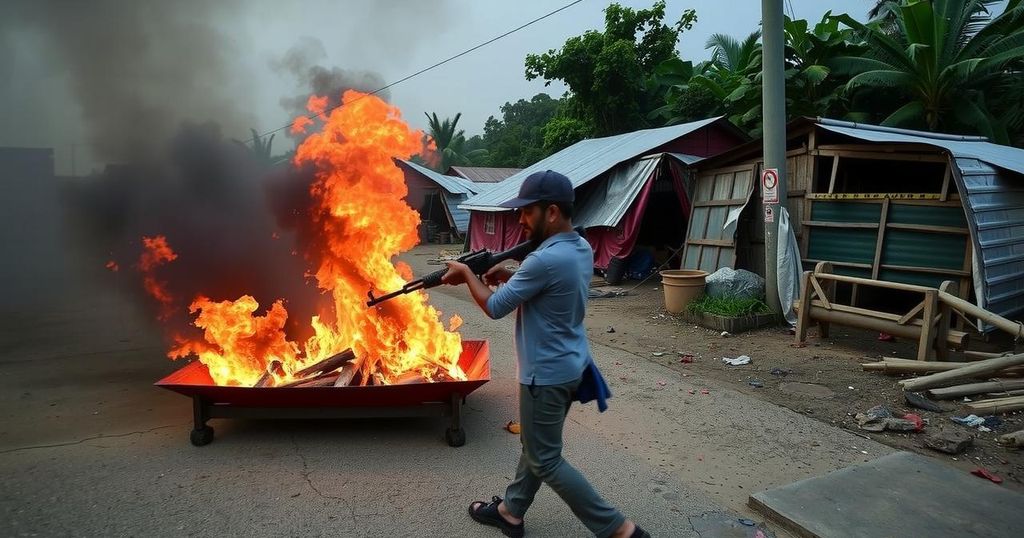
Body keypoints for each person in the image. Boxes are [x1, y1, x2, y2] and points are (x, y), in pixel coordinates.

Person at [442, 170, 649, 538]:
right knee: (537, 444)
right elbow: (549, 286)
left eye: (527, 212)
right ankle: (511, 510)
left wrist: (466, 275)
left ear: (551, 212)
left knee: (546, 458)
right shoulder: (579, 247)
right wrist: (509, 274)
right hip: (570, 364)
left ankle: (619, 530)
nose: (520, 220)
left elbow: (494, 307)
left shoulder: (542, 261)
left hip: (545, 374)